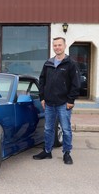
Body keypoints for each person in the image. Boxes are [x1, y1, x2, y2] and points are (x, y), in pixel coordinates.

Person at [33, 37, 81, 165]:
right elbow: (42, 81)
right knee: (48, 129)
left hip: (64, 103)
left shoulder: (70, 63)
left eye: (59, 45)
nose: (57, 47)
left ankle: (67, 153)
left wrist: (71, 100)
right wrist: (42, 97)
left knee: (66, 129)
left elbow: (76, 84)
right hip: (49, 103)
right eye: (55, 45)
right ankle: (47, 151)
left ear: (65, 46)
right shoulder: (48, 63)